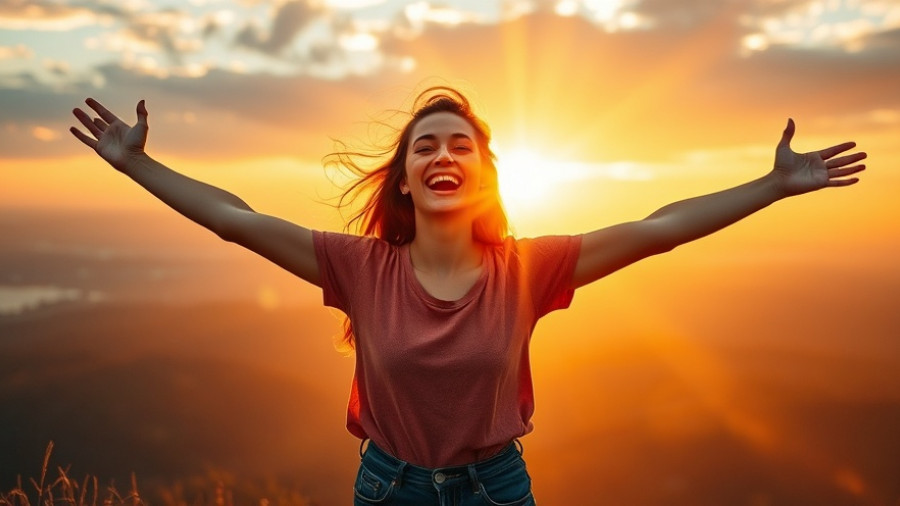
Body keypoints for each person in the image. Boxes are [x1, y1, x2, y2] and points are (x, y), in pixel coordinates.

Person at [70, 86, 866, 505]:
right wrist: (136, 163)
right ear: (405, 179)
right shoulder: (359, 267)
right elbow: (234, 220)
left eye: (461, 146)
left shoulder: (529, 269)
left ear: (484, 175)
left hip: (495, 489)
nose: (443, 156)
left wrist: (770, 186)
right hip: (388, 487)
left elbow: (660, 228)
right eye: (425, 147)